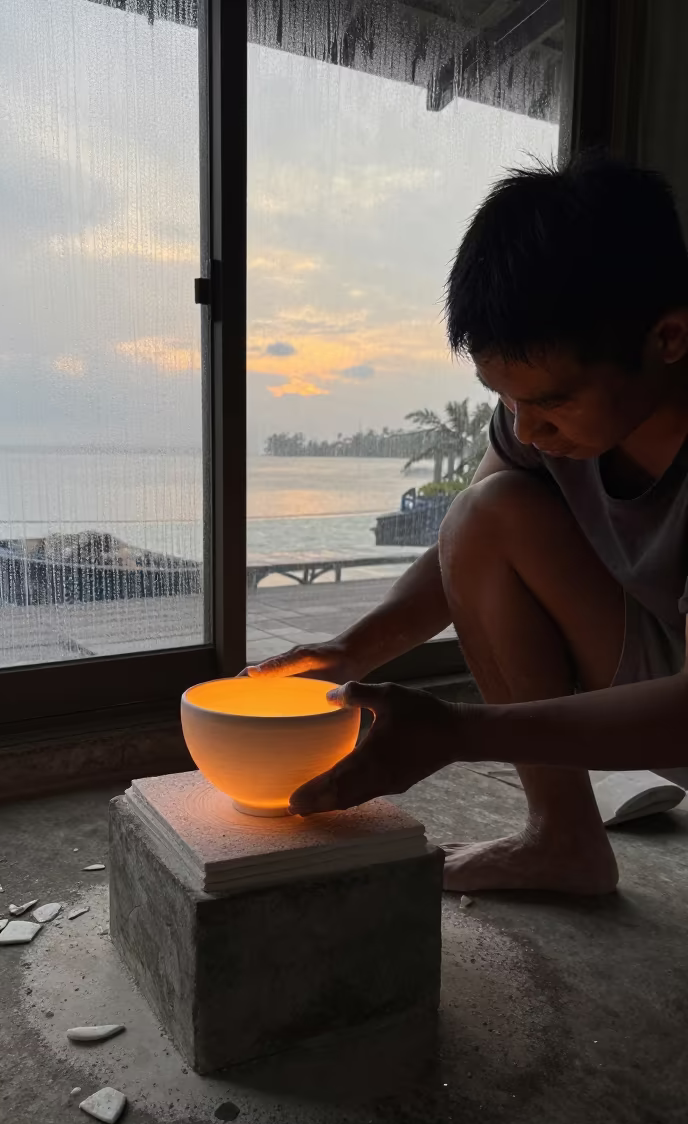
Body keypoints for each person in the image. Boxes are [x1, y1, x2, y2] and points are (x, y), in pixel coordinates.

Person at [246, 152, 688, 895]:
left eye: (551, 401)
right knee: (483, 513)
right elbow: (468, 547)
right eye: (504, 398)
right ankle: (563, 841)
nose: (528, 427)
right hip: (656, 665)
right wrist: (353, 650)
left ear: (668, 338)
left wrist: (459, 733)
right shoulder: (542, 422)